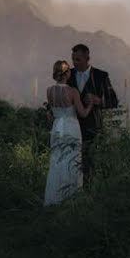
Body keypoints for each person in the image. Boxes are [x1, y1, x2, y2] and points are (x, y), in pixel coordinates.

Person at [44, 60, 94, 206]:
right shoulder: (72, 92)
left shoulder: (49, 91)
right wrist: (90, 103)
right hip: (71, 128)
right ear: (68, 74)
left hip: (57, 128)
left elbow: (51, 113)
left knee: (57, 161)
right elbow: (83, 113)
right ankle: (72, 198)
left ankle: (54, 198)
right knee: (72, 161)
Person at [67, 43, 119, 180]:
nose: (74, 62)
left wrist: (98, 101)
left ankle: (89, 195)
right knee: (72, 164)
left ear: (87, 58)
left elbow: (113, 101)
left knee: (90, 166)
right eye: (73, 59)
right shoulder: (68, 75)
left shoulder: (101, 76)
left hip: (93, 128)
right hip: (71, 127)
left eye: (78, 59)